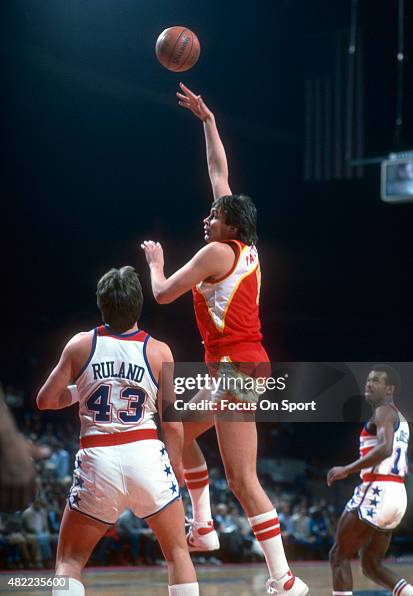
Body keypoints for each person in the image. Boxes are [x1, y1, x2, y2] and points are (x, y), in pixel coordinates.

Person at [141, 83, 308, 596]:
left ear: (230, 225)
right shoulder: (244, 244)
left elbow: (163, 294)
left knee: (230, 469)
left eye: (214, 216)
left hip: (237, 366)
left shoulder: (217, 252)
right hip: (242, 364)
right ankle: (210, 529)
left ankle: (276, 573)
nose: (207, 217)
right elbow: (219, 174)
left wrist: (155, 264)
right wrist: (208, 121)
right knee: (201, 447)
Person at [36, 266, 199, 596]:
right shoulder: (159, 351)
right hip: (145, 455)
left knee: (70, 560)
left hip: (98, 459)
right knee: (177, 553)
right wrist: (177, 466)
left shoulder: (81, 345)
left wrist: (81, 390)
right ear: (139, 304)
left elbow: (45, 400)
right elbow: (171, 424)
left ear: (102, 303)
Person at [327, 365, 412, 596]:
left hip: (378, 489)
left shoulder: (383, 411)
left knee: (338, 556)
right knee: (371, 566)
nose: (369, 384)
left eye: (376, 381)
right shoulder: (401, 418)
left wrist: (347, 469)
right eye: (368, 380)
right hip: (398, 495)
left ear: (389, 389)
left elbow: (385, 449)